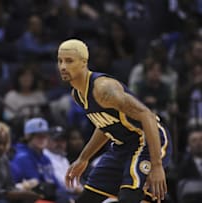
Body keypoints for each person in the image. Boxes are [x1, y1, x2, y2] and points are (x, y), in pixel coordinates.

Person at [57, 39, 172, 203]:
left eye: (69, 61)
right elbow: (105, 125)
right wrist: (84, 158)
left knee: (128, 196)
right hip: (121, 146)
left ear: (84, 63)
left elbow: (148, 116)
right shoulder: (77, 95)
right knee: (87, 199)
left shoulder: (104, 89)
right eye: (60, 60)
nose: (63, 66)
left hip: (146, 141)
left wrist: (157, 165)